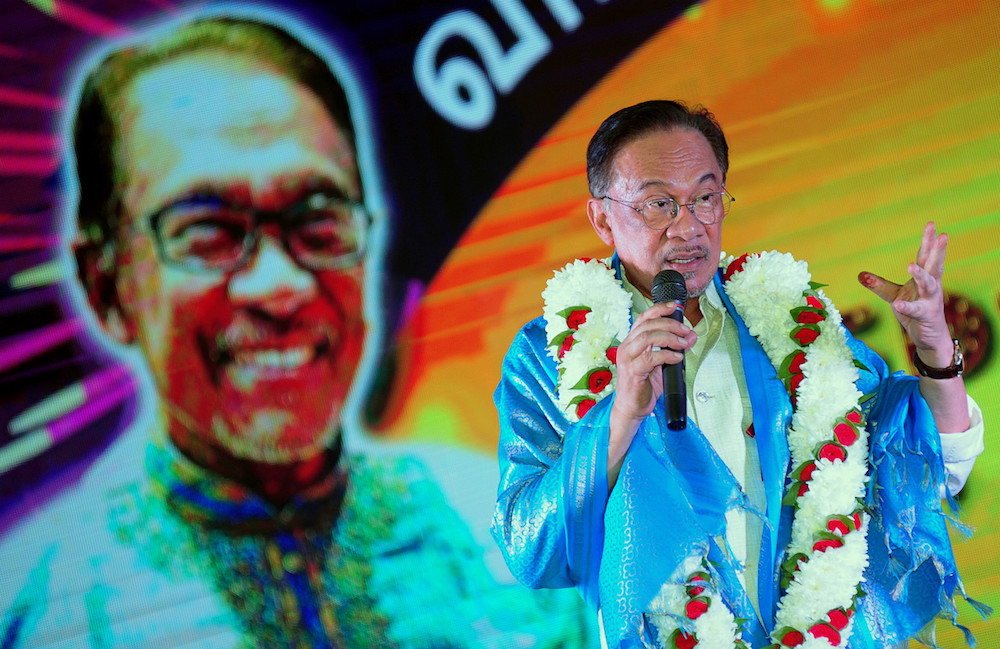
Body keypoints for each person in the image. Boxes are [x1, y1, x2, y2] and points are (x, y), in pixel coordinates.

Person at [0, 13, 595, 649]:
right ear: (106, 285)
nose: (280, 287)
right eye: (206, 232)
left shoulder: (509, 543)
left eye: (319, 221)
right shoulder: (45, 611)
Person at [492, 100, 985, 648]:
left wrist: (935, 344)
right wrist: (621, 415)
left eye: (705, 197)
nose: (690, 226)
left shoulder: (793, 325)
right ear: (603, 217)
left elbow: (938, 460)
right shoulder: (548, 353)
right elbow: (529, 548)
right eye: (659, 204)